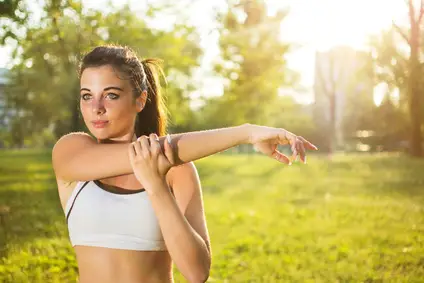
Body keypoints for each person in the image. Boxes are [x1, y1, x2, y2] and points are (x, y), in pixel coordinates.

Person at [51, 45, 318, 283]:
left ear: (140, 99)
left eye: (110, 95)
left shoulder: (177, 171)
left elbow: (196, 272)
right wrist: (245, 133)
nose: (96, 107)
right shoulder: (70, 151)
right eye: (87, 96)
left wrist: (156, 187)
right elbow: (145, 153)